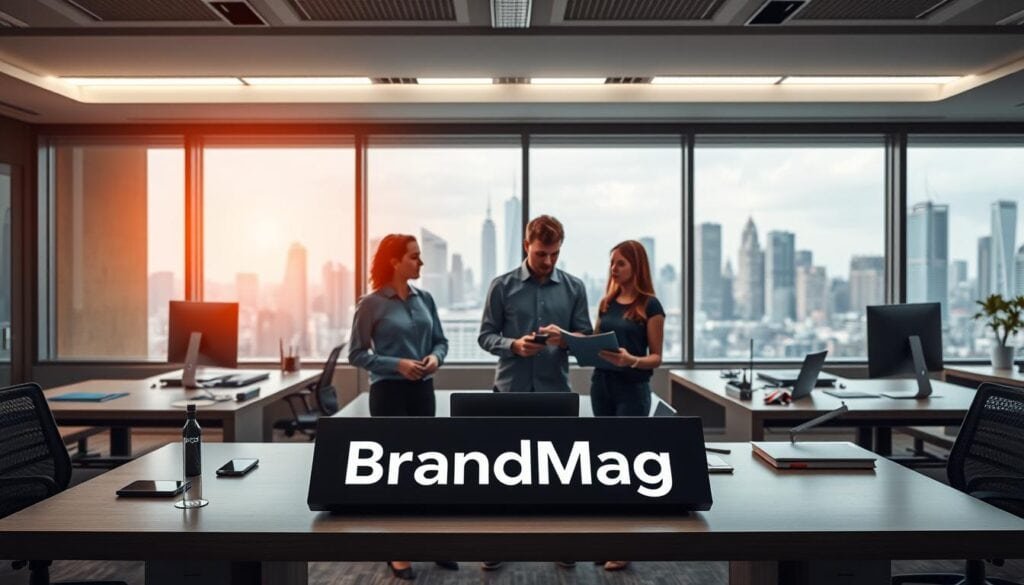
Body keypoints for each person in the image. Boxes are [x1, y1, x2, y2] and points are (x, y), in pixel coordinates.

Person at [477, 215, 592, 571]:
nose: (548, 261)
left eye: (555, 254)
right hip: (509, 390)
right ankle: (497, 545)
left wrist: (565, 340)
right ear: (527, 246)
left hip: (555, 393)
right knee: (501, 474)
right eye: (542, 253)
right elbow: (485, 336)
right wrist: (513, 344)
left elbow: (586, 342)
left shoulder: (574, 288)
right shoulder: (501, 287)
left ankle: (562, 544)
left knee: (559, 474)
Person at [348, 233, 459, 580]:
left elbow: (441, 340)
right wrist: (397, 364)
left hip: (423, 391)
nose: (421, 263)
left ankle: (430, 543)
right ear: (394, 261)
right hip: (389, 394)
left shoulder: (425, 298)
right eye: (414, 257)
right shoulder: (371, 304)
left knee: (427, 471)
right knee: (394, 474)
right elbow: (356, 354)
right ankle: (397, 550)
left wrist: (434, 359)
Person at [591, 240, 665, 572]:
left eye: (620, 263)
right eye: (611, 263)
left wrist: (630, 360)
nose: (613, 269)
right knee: (605, 467)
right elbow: (594, 342)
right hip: (601, 386)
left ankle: (624, 546)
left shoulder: (651, 306)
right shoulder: (606, 303)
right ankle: (607, 542)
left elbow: (656, 358)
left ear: (636, 266)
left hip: (632, 390)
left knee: (625, 470)